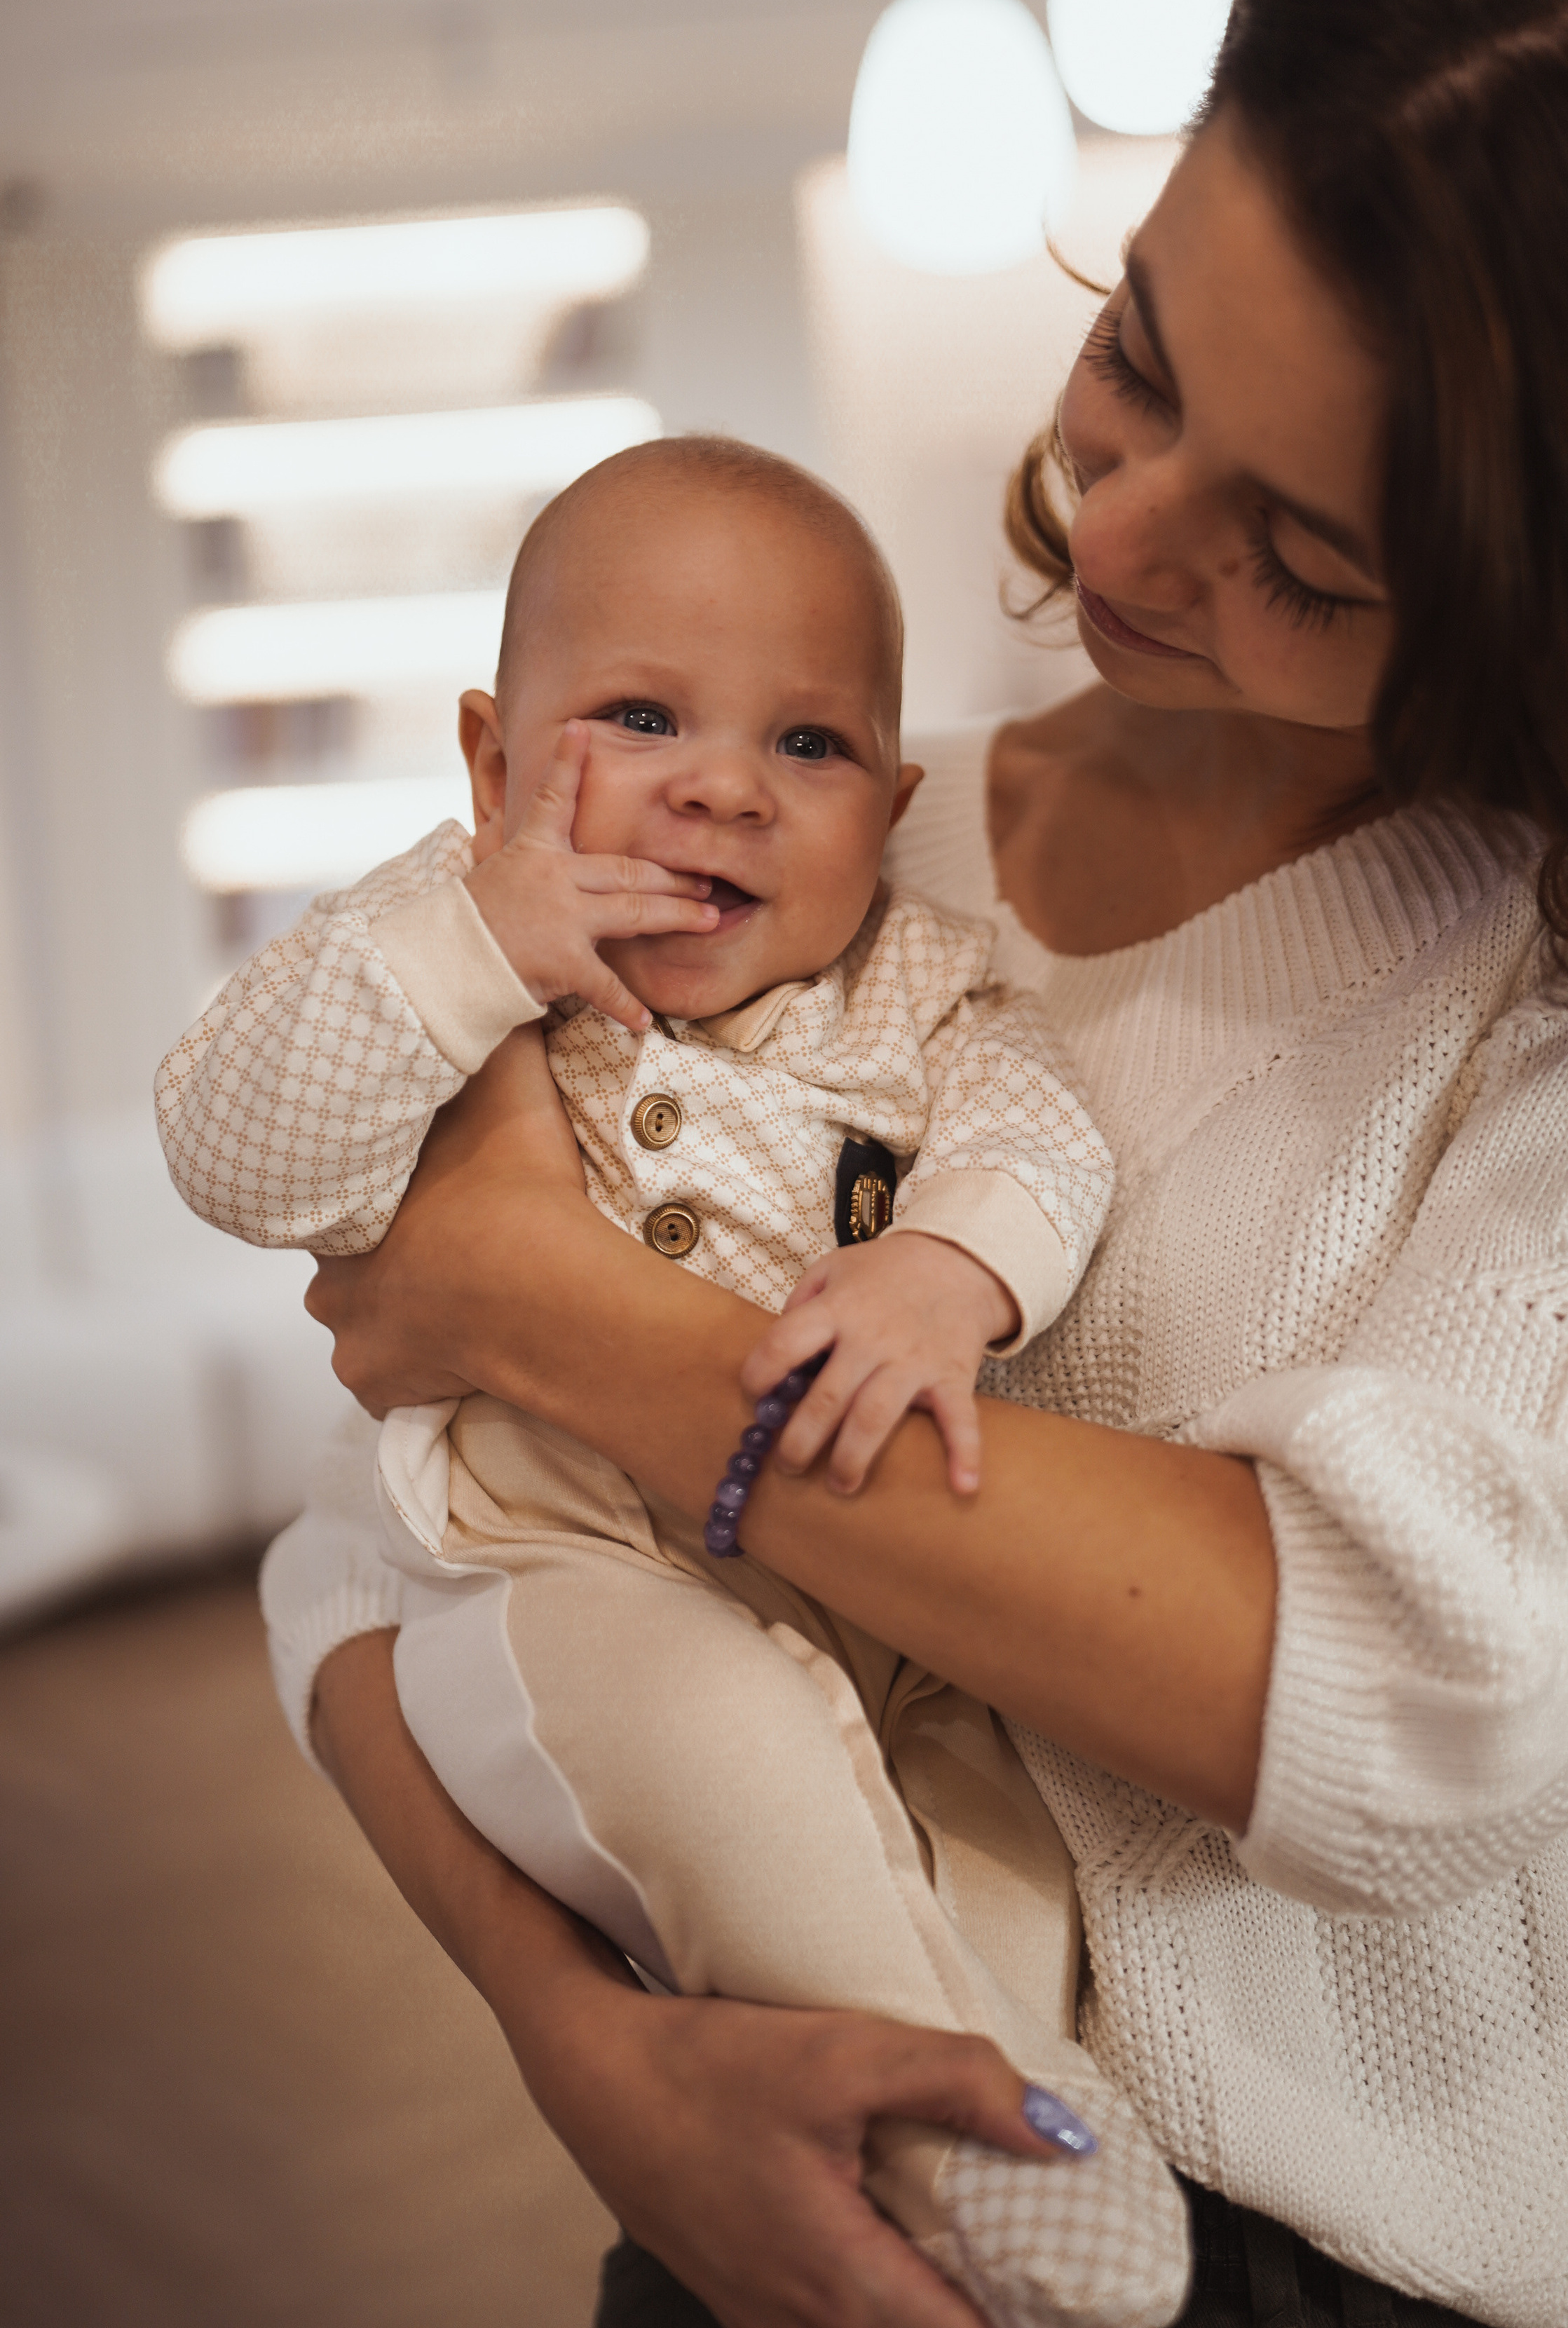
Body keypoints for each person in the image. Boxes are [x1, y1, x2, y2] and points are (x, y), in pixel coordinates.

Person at [278, 0, 1568, 2328]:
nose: (1120, 521)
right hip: (758, 2164)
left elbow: (1414, 1693)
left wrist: (558, 1315)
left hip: (1370, 2274)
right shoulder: (815, 852)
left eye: (1304, 551)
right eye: (1145, 357)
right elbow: (373, 1547)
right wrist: (586, 2055)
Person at [160, 438, 1204, 2326]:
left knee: (996, 1822)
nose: (724, 785)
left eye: (807, 748)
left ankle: (1003, 2114)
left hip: (890, 1618)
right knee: (730, 1767)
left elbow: (1042, 1136)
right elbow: (236, 1148)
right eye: (641, 717)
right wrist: (463, 936)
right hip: (557, 1579)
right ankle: (967, 2121)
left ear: (887, 806)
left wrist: (946, 1269)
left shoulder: (915, 992)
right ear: (492, 762)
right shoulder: (450, 967)